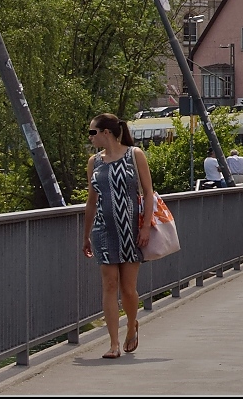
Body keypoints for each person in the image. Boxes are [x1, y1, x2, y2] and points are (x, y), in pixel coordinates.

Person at [82, 112, 153, 359]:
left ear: (106, 133)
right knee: (109, 285)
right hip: (104, 230)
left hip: (131, 230)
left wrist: (145, 228)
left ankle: (132, 324)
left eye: (93, 132)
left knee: (128, 289)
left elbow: (148, 192)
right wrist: (86, 235)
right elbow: (91, 201)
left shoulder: (135, 155)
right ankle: (113, 343)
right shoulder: (95, 162)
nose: (90, 137)